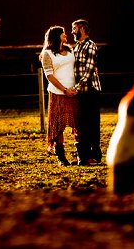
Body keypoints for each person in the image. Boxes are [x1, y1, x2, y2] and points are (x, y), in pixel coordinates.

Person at [39, 25, 77, 166]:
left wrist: (74, 88)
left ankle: (81, 155)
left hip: (74, 93)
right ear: (56, 36)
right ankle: (61, 157)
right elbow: (49, 76)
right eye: (63, 34)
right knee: (58, 125)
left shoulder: (69, 50)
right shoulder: (47, 54)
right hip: (58, 93)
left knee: (78, 124)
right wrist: (64, 89)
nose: (66, 35)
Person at [70, 18, 102, 166]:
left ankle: (95, 155)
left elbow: (88, 71)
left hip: (90, 91)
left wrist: (76, 87)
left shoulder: (90, 46)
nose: (72, 31)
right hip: (80, 92)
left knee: (92, 124)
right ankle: (84, 154)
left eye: (74, 28)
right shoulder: (76, 47)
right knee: (81, 125)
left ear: (82, 29)